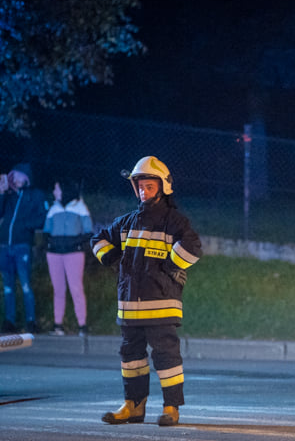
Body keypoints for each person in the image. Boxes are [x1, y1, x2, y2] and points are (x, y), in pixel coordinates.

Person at [92, 156, 202, 427]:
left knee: (166, 357)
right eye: (140, 186)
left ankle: (171, 408)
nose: (143, 191)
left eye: (149, 186)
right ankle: (133, 405)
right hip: (129, 305)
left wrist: (169, 263)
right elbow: (98, 239)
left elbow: (193, 246)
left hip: (162, 303)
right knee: (131, 358)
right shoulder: (128, 222)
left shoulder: (174, 221)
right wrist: (109, 256)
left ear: (162, 187)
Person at [0, 163, 48, 334]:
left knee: (26, 284)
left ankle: (30, 321)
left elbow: (42, 218)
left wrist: (25, 226)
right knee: (8, 287)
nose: (15, 179)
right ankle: (9, 321)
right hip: (5, 246)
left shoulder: (36, 195)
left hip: (22, 246)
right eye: (13, 176)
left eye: (18, 176)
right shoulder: (9, 195)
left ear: (26, 177)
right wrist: (2, 193)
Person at [44, 181, 93, 336]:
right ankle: (58, 325)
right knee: (58, 289)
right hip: (54, 254)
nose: (54, 191)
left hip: (74, 253)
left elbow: (88, 231)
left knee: (76, 288)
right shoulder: (54, 208)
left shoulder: (80, 207)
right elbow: (46, 231)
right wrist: (53, 243)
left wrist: (72, 242)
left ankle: (82, 325)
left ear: (65, 190)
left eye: (57, 188)